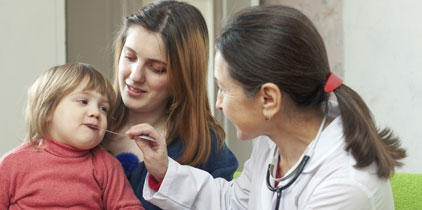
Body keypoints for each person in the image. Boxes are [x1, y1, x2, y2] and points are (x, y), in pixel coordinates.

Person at [126, 5, 407, 210]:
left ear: (269, 99)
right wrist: (164, 170)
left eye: (223, 89)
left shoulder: (345, 187)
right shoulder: (274, 143)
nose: (218, 103)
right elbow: (233, 202)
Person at [102, 0, 238, 209]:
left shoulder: (206, 149)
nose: (135, 76)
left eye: (156, 68)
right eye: (129, 57)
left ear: (183, 77)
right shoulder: (87, 121)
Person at [0, 63, 143, 210]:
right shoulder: (11, 164)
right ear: (48, 111)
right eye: (83, 101)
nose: (95, 113)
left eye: (103, 108)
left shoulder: (107, 166)